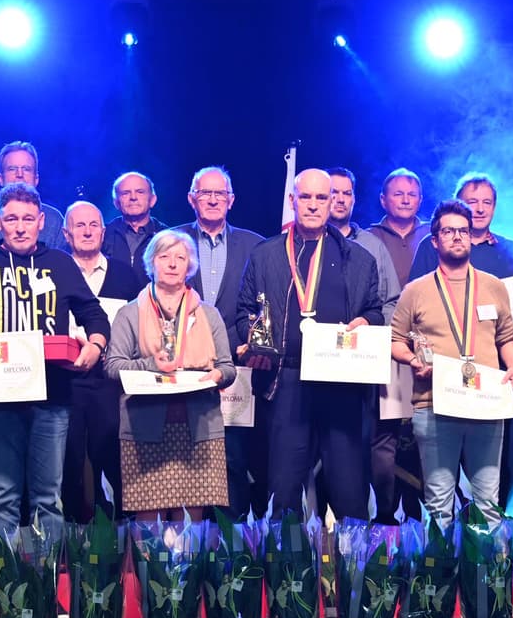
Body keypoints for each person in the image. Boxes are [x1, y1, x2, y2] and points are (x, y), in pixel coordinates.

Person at [0, 182, 109, 550]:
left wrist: (96, 344)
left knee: (48, 497)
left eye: (28, 219)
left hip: (53, 397)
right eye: (12, 219)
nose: (20, 227)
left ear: (42, 221)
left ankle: (43, 582)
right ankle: (5, 582)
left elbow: (93, 313)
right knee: (2, 494)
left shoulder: (59, 263)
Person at [235, 168, 384, 520]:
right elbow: (243, 312)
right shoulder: (265, 254)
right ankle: (286, 555)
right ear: (293, 201)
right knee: (283, 488)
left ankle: (351, 554)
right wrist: (256, 341)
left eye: (321, 197)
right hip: (285, 380)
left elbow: (375, 311)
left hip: (341, 380)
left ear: (332, 201)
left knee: (348, 489)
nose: (314, 205)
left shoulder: (359, 258)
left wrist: (367, 322)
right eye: (306, 197)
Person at [389, 200, 513, 528]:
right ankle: (441, 563)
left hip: (486, 403)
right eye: (448, 231)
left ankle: (486, 563)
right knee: (439, 506)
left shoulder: (493, 286)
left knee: (488, 504)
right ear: (435, 241)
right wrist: (412, 359)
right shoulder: (415, 291)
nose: (458, 237)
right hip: (434, 403)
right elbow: (394, 341)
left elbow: (507, 337)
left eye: (463, 231)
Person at [104, 230, 236, 518]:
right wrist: (152, 364)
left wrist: (217, 376)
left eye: (180, 257)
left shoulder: (208, 314)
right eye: (164, 256)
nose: (173, 264)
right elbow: (113, 366)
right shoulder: (130, 313)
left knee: (190, 527)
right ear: (152, 263)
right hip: (145, 429)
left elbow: (228, 367)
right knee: (149, 525)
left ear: (190, 266)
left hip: (199, 428)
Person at [175, 166, 266, 516]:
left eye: (220, 193)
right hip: (183, 366)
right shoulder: (172, 242)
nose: (213, 199)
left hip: (237, 364)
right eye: (205, 193)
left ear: (231, 200)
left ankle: (232, 538)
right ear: (191, 199)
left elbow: (263, 305)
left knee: (233, 457)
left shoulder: (255, 245)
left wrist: (246, 343)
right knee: (187, 457)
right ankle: (191, 537)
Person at [327, 166, 412, 523]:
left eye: (346, 193)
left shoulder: (372, 245)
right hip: (317, 364)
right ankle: (318, 527)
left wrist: (372, 329)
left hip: (362, 366)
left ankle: (367, 524)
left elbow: (391, 301)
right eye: (333, 192)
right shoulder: (303, 245)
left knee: (365, 443)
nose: (339, 199)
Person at [60, 200, 145, 522]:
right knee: (68, 460)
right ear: (66, 233)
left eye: (93, 225)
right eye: (79, 225)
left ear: (103, 231)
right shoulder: (55, 270)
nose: (87, 231)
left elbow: (139, 324)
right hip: (65, 379)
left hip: (111, 382)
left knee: (111, 455)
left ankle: (118, 531)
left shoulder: (125, 274)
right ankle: (72, 531)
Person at [410, 172, 513, 280]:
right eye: (472, 202)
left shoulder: (510, 249)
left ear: (494, 207)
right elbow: (415, 292)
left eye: (487, 202)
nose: (480, 209)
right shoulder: (433, 245)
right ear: (458, 204)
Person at [0, 141, 65, 251]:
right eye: (12, 169)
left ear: (36, 179)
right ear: (0, 179)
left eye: (26, 169)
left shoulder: (54, 219)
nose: (19, 175)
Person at [366, 168, 426, 283]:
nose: (406, 200)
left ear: (420, 201)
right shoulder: (368, 238)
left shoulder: (433, 235)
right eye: (398, 194)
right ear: (383, 200)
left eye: (412, 195)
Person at [102, 171, 167, 273]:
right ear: (116, 203)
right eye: (125, 193)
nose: (133, 197)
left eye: (140, 192)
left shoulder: (167, 236)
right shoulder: (103, 235)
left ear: (152, 200)